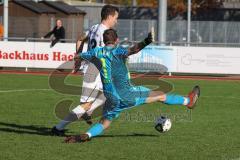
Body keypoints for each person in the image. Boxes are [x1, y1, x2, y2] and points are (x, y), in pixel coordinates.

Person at [64, 29, 201, 143]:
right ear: (116, 40)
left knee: (104, 123)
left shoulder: (96, 52)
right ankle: (188, 101)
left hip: (111, 98)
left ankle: (86, 135)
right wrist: (146, 41)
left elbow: (78, 56)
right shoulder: (118, 51)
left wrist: (76, 59)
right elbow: (133, 50)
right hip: (128, 94)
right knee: (160, 95)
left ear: (104, 41)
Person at [51, 5, 119, 136]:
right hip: (94, 71)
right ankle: (58, 128)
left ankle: (88, 112)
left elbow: (80, 39)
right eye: (116, 18)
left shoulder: (94, 28)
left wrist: (78, 58)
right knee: (85, 104)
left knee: (110, 94)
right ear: (109, 16)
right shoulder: (104, 33)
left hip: (95, 70)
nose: (116, 21)